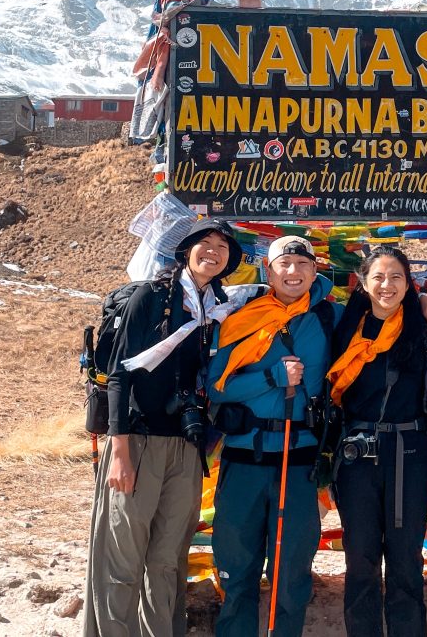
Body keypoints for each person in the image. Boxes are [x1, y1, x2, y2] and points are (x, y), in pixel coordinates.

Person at [83, 218, 244, 637]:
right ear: (186, 249)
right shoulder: (150, 297)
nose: (213, 250)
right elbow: (119, 375)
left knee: (168, 557)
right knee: (123, 557)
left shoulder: (220, 309)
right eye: (205, 242)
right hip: (136, 441)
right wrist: (119, 452)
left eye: (223, 246)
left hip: (186, 448)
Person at [207, 234, 335, 637]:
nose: (293, 272)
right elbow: (216, 387)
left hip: (298, 463)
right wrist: (272, 377)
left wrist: (422, 301)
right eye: (284, 264)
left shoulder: (333, 317)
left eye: (302, 264)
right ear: (269, 270)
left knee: (291, 572)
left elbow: (386, 312)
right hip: (244, 459)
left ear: (315, 270)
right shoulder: (240, 318)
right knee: (236, 567)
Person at [327, 246, 427, 637]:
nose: (387, 285)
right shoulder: (346, 327)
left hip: (409, 453)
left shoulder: (425, 328)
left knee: (406, 558)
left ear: (408, 282)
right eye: (378, 276)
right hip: (357, 454)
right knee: (360, 559)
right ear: (362, 283)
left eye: (397, 276)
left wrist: (425, 295)